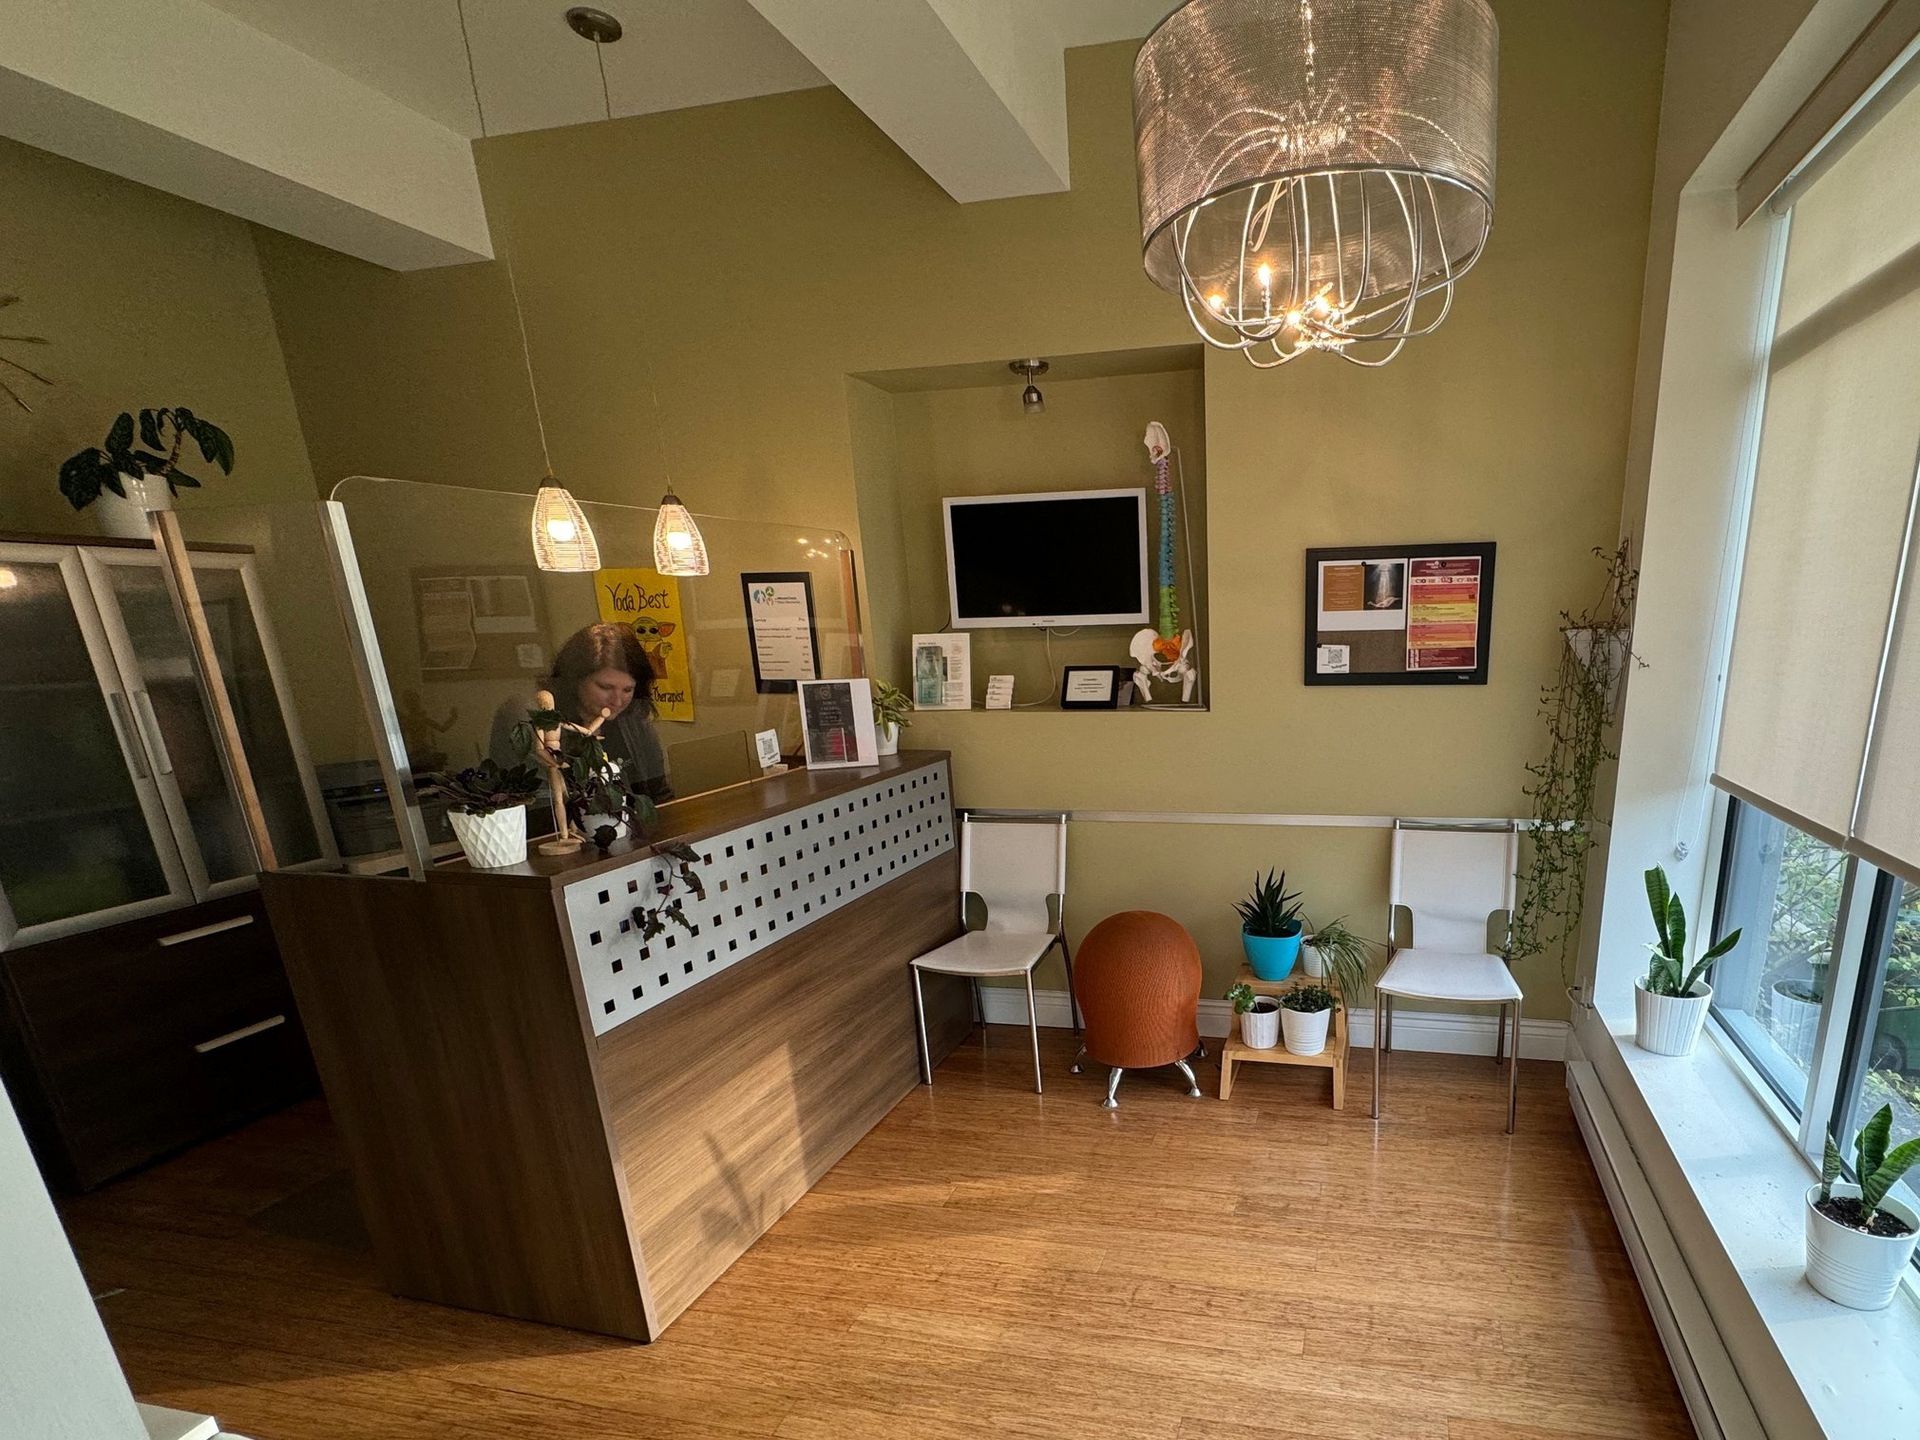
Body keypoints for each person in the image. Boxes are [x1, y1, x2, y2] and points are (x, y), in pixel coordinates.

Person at [490, 622, 672, 804]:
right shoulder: (531, 718)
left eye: (627, 690)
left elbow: (659, 794)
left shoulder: (633, 717)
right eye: (605, 687)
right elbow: (539, 805)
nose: (617, 701)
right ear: (575, 679)